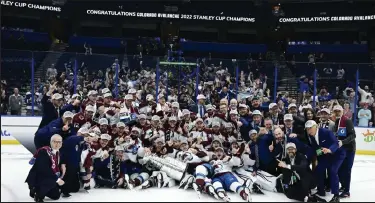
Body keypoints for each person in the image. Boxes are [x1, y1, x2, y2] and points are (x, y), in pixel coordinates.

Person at [305, 120, 345, 202]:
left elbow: (336, 143)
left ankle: (336, 195)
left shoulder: (326, 132)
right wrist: (306, 157)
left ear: (316, 126)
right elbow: (315, 149)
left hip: (337, 154)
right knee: (318, 170)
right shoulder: (311, 136)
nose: (309, 130)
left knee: (333, 171)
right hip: (326, 156)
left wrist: (330, 150)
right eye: (307, 129)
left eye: (310, 128)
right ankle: (321, 190)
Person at [26, 134, 64, 202]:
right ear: (50, 142)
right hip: (38, 177)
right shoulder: (44, 151)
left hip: (48, 176)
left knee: (56, 196)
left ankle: (37, 190)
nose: (57, 144)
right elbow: (44, 170)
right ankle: (38, 195)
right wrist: (57, 180)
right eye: (55, 141)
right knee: (51, 181)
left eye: (59, 142)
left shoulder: (57, 152)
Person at [333, 105, 356, 198]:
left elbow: (353, 135)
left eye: (339, 111)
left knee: (347, 170)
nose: (337, 112)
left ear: (342, 111)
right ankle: (343, 186)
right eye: (335, 111)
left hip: (349, 149)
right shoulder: (337, 122)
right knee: (340, 169)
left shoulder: (347, 121)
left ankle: (347, 191)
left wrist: (343, 142)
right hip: (341, 149)